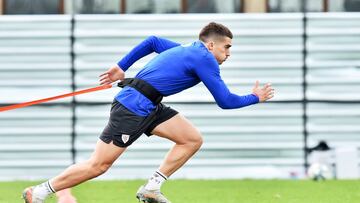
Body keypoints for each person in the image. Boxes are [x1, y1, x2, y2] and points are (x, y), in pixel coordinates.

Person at [22, 22, 274, 203]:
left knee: (191, 139)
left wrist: (121, 67)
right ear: (210, 45)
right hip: (133, 107)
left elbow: (153, 41)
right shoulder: (204, 59)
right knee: (98, 165)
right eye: (226, 48)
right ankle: (41, 191)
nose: (228, 54)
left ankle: (151, 188)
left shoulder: (186, 50)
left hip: (150, 105)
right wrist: (255, 97)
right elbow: (226, 101)